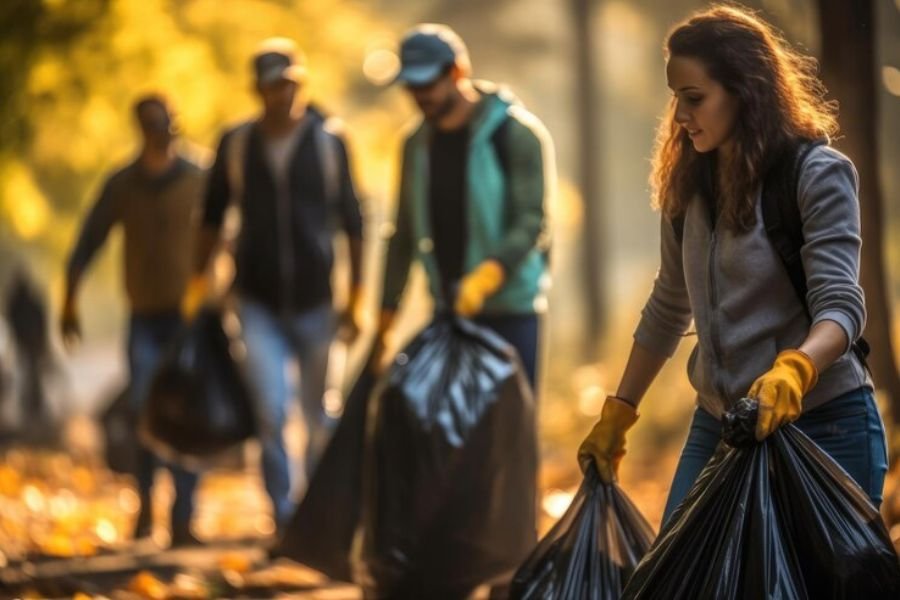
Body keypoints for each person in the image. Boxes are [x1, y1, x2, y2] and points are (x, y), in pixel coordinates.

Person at [578, 4, 888, 524]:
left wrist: (796, 369)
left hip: (825, 423)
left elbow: (841, 307)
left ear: (745, 90)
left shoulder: (814, 175)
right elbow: (668, 306)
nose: (680, 116)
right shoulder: (688, 185)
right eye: (676, 99)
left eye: (694, 99)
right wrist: (619, 412)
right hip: (722, 424)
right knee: (680, 574)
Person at [184, 38, 365, 531]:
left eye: (288, 85)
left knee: (320, 416)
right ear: (258, 90)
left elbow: (354, 220)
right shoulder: (237, 143)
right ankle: (284, 518)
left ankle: (320, 519)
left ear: (299, 84)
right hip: (256, 299)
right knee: (270, 411)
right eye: (271, 87)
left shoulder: (330, 142)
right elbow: (213, 216)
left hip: (317, 301)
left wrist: (358, 297)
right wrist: (199, 287)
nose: (280, 95)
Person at [375, 24, 554, 392]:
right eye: (411, 86)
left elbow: (531, 221)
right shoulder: (415, 145)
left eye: (426, 84)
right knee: (446, 437)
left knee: (507, 438)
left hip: (511, 314)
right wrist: (386, 318)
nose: (418, 95)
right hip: (448, 313)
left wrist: (487, 276)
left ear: (457, 72)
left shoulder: (516, 134)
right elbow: (403, 233)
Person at [61, 94, 205, 545]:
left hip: (192, 319)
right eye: (151, 125)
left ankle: (184, 517)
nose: (160, 132)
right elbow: (89, 239)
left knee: (187, 416)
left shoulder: (202, 176)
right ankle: (146, 506)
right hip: (144, 315)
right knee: (146, 410)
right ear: (141, 128)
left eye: (165, 124)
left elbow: (230, 235)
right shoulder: (124, 184)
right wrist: (69, 299)